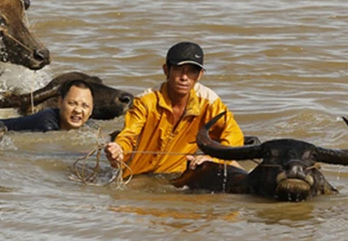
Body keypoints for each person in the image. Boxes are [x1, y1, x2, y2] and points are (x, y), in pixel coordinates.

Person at [104, 42, 243, 178]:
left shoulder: (209, 102)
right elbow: (129, 135)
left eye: (192, 71)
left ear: (200, 75)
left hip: (177, 177)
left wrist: (212, 158)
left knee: (234, 166)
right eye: (178, 69)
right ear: (166, 70)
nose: (184, 77)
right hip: (137, 176)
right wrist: (118, 150)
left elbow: (233, 136)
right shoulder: (146, 102)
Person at [2, 79, 94, 133]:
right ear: (60, 102)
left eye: (85, 106)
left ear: (91, 110)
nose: (78, 110)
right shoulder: (46, 122)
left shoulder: (87, 124)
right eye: (72, 103)